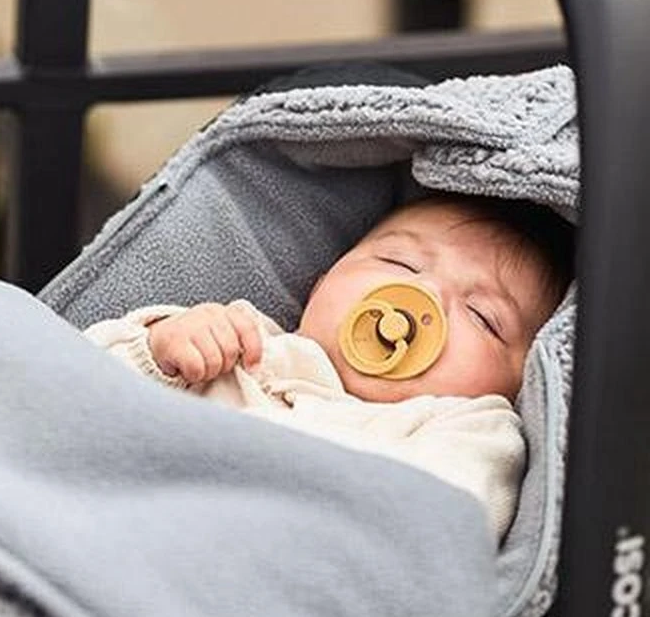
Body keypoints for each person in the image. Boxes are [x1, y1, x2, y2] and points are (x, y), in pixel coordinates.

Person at [84, 193, 575, 544]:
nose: (424, 299)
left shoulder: (468, 428)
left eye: (484, 317)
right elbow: (81, 394)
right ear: (319, 285)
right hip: (117, 516)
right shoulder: (242, 341)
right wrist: (158, 347)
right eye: (398, 263)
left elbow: (442, 525)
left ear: (520, 383)